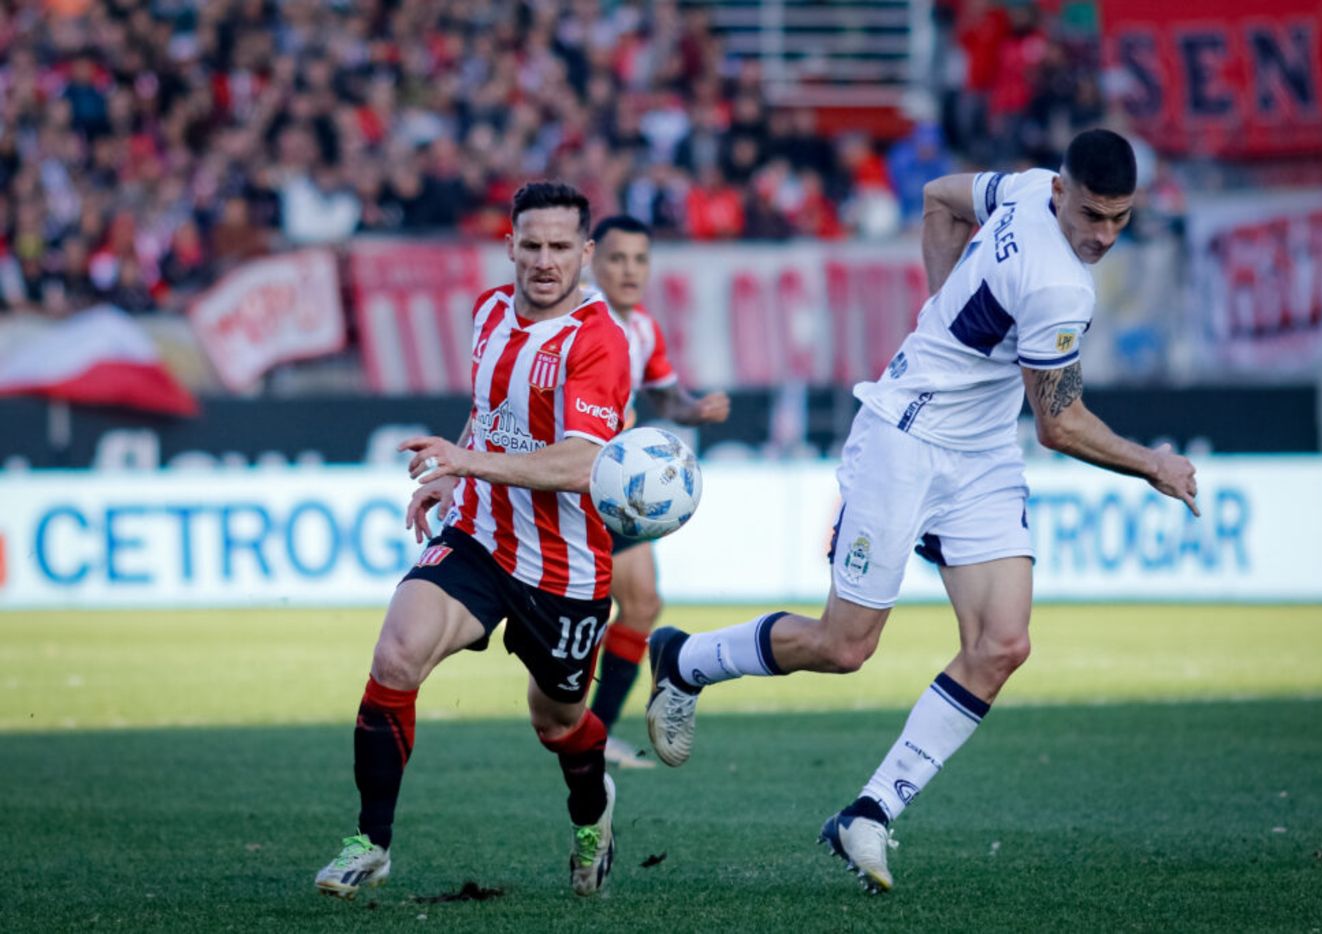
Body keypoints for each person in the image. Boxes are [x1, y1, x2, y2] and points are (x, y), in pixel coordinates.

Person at [642, 128, 1199, 892]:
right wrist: (1154, 464)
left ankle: (868, 813)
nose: (1102, 235)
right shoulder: (1059, 285)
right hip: (904, 439)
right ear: (1063, 193)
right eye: (1092, 216)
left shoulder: (1025, 184)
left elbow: (941, 199)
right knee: (845, 646)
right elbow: (1060, 423)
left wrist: (940, 307)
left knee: (1002, 644)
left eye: (1120, 219)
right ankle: (685, 659)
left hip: (980, 455)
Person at [314, 182, 632, 899]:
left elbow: (584, 464)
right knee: (397, 652)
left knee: (558, 723)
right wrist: (458, 479)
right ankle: (371, 842)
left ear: (585, 253)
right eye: (531, 245)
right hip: (481, 536)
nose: (544, 261)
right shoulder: (489, 311)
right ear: (510, 245)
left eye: (560, 247)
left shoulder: (599, 341)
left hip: (566, 570)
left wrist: (468, 463)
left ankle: (593, 812)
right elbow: (489, 415)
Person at [585, 214, 731, 769]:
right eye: (618, 258)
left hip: (607, 490)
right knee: (584, 607)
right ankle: (581, 733)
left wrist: (694, 410)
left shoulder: (642, 327)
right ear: (594, 261)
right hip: (568, 479)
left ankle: (594, 735)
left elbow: (664, 397)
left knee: (641, 601)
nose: (629, 270)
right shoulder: (577, 316)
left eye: (640, 260)